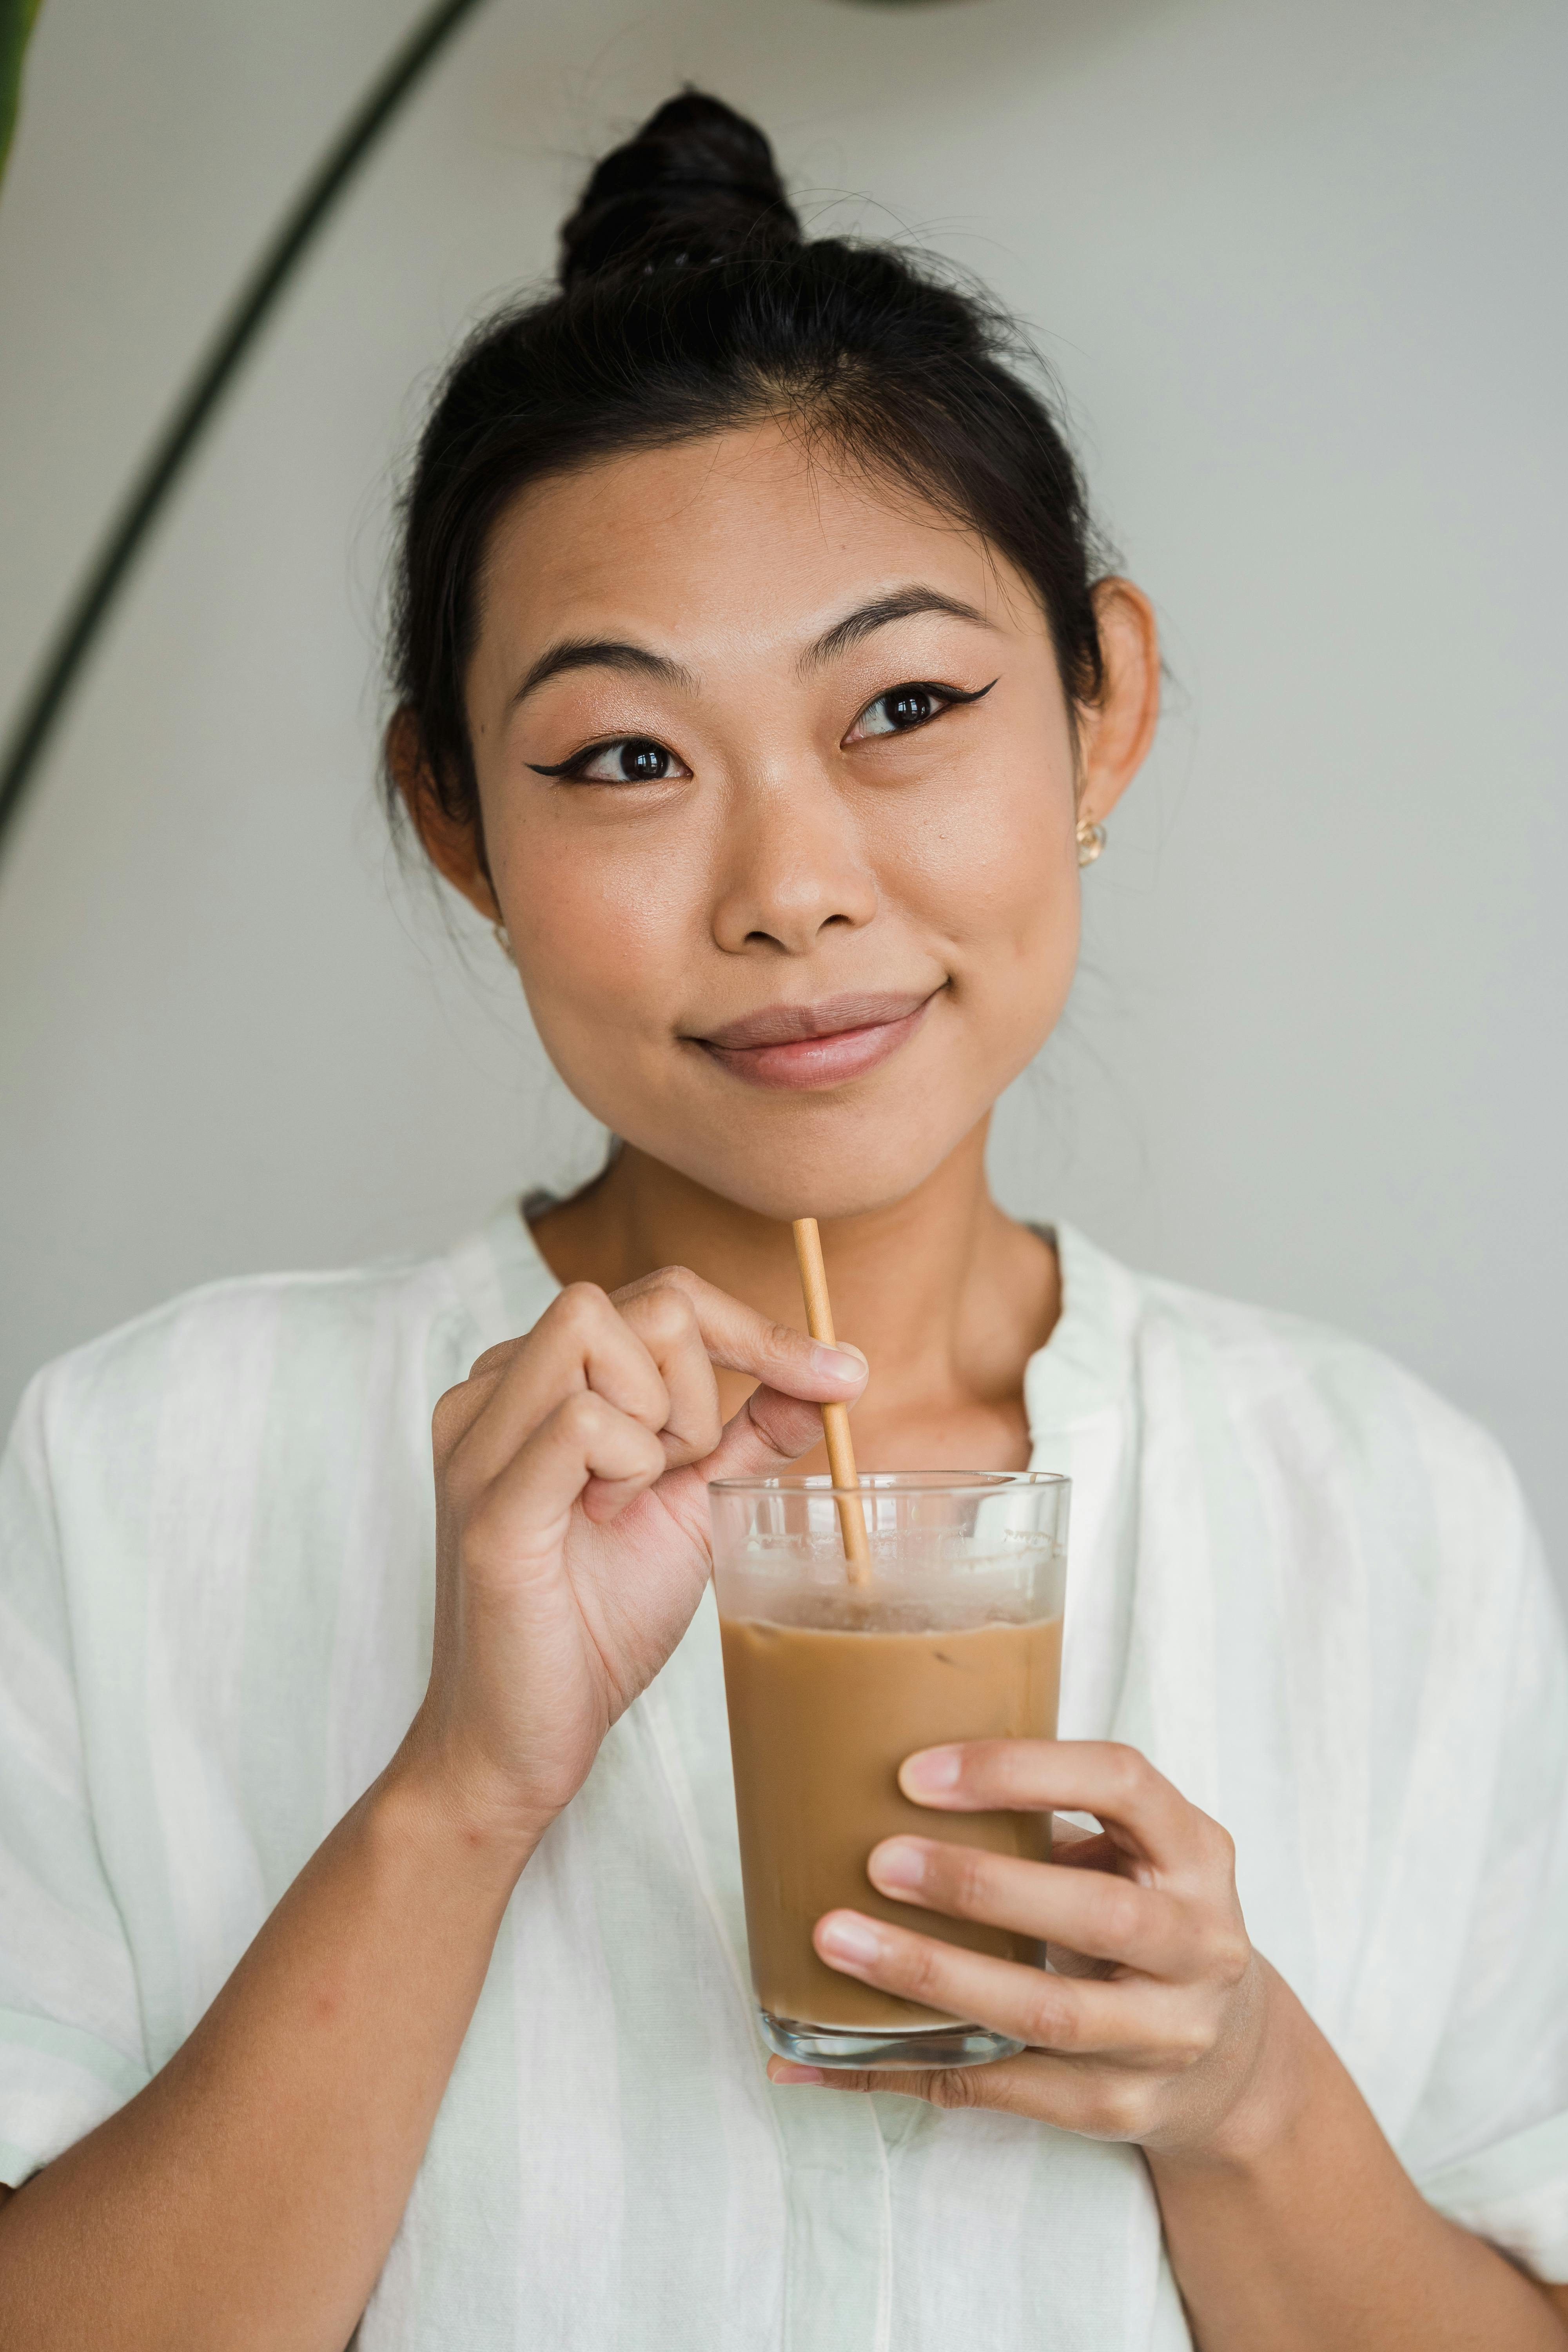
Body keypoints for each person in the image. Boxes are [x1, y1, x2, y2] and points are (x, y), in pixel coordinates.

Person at [0, 87, 1564, 2352]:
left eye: (907, 707)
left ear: (1102, 707)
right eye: (625, 758)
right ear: (453, 814)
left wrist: (1245, 2101)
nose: (793, 889)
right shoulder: (141, 1467)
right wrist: (460, 1799)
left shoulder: (1391, 1513)